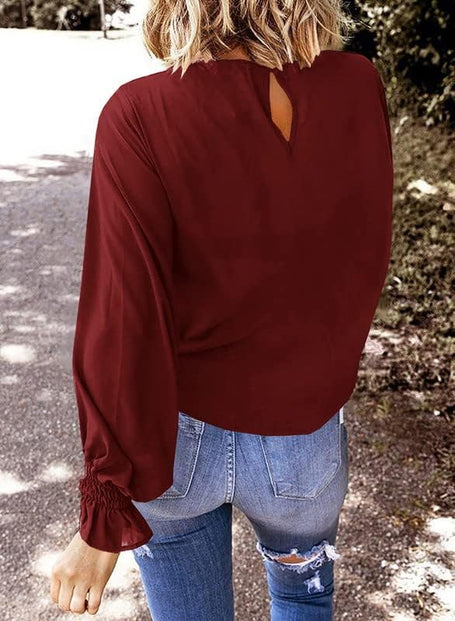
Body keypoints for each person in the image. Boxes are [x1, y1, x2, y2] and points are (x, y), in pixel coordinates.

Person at [49, 0, 394, 618]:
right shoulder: (357, 85)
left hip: (175, 445)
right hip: (303, 445)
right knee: (303, 600)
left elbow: (124, 317)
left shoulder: (139, 112)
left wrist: (105, 500)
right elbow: (361, 248)